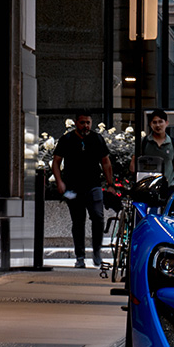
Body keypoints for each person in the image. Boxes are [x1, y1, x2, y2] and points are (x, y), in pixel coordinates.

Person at [51, 112, 113, 268]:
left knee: (98, 218)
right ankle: (80, 257)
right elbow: (56, 162)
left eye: (88, 122)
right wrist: (60, 182)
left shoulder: (97, 139)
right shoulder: (67, 139)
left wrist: (110, 183)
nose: (86, 126)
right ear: (76, 123)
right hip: (73, 188)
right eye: (82, 122)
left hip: (94, 185)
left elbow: (105, 162)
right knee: (78, 222)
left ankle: (97, 252)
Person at [147, 108, 174, 187]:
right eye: (155, 122)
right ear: (150, 124)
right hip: (147, 188)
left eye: (160, 122)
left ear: (166, 123)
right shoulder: (143, 142)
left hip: (168, 187)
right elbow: (133, 166)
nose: (158, 125)